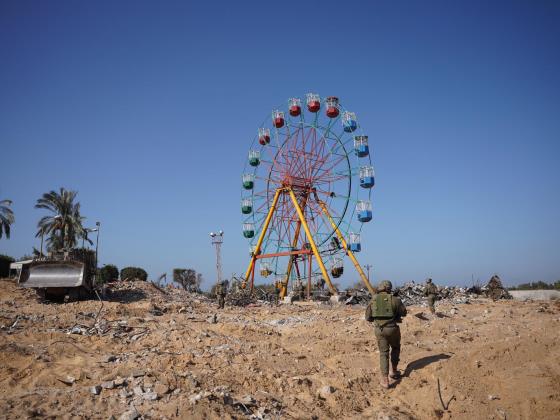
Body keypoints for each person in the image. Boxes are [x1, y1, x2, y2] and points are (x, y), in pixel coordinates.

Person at [365, 280, 407, 389]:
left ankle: (385, 380)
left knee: (383, 353)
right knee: (396, 348)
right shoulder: (395, 300)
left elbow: (368, 317)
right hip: (393, 329)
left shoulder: (373, 300)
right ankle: (393, 371)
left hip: (379, 330)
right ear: (389, 288)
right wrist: (397, 304)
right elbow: (404, 313)